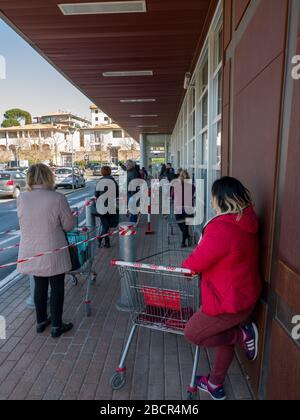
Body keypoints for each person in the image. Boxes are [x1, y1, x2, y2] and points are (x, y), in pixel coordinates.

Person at [182, 177, 261, 400]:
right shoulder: (246, 220)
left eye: (213, 196)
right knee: (221, 334)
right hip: (243, 297)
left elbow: (196, 262)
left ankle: (243, 335)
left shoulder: (222, 228)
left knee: (194, 333)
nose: (211, 200)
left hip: (227, 303)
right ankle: (215, 384)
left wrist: (184, 271)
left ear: (221, 199)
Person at [17, 164, 75, 338]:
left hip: (31, 249)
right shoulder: (57, 198)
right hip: (53, 250)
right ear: (49, 177)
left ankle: (41, 321)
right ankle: (57, 325)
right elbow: (69, 225)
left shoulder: (22, 198)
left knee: (39, 285)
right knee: (57, 286)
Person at [95, 166, 119, 248]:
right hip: (111, 206)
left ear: (102, 172)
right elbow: (117, 194)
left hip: (102, 206)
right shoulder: (113, 181)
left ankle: (101, 239)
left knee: (105, 225)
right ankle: (106, 242)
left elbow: (96, 195)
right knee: (107, 225)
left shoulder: (100, 182)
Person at [174, 170, 194, 248]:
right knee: (186, 226)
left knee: (182, 225)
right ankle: (187, 237)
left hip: (178, 208)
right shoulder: (192, 186)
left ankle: (184, 241)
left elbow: (172, 195)